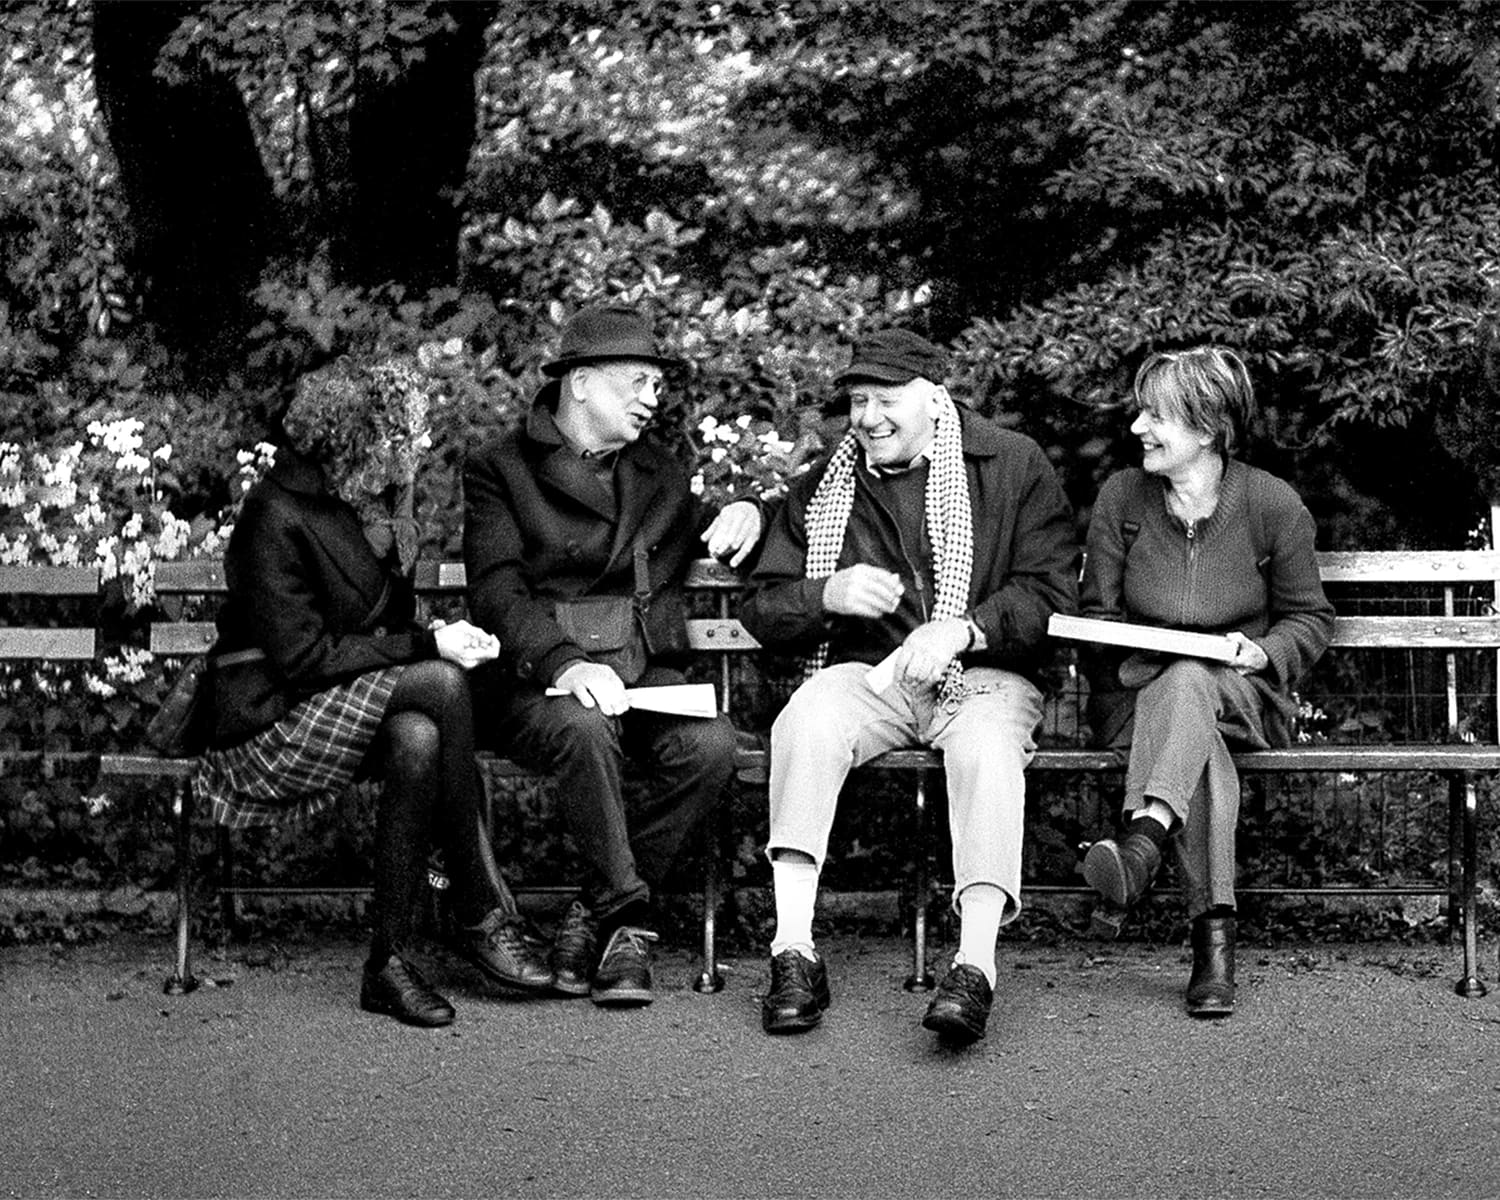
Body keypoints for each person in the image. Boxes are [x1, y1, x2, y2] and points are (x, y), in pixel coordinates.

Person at [739, 327, 1078, 1045]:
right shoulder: (827, 485)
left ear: (934, 397)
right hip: (875, 675)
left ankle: (974, 966)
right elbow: (764, 607)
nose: (868, 418)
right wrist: (825, 594)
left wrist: (964, 630)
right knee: (805, 719)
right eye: (858, 401)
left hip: (984, 673)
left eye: (885, 400)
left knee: (986, 749)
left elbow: (1049, 594)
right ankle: (793, 951)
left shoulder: (1012, 463)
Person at [194, 356, 554, 1029]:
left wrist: (428, 617)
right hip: (271, 724)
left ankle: (386, 964)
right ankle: (479, 907)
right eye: (404, 437)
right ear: (361, 443)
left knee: (418, 738)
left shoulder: (368, 507)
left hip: (343, 704)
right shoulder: (274, 514)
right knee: (441, 682)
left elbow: (380, 628)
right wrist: (428, 647)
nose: (420, 446)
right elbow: (303, 658)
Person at [462, 303, 762, 1007]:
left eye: (657, 385)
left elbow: (713, 534)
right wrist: (567, 663)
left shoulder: (662, 471)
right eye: (638, 383)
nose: (652, 399)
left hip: (641, 672)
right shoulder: (500, 467)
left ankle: (591, 914)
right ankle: (629, 918)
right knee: (585, 725)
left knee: (712, 746)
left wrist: (749, 508)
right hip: (538, 682)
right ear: (582, 382)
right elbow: (497, 591)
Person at [1078, 345, 1334, 1018]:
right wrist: (1131, 653)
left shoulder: (1271, 504)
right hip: (1139, 700)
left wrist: (1263, 651)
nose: (1137, 427)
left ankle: (1144, 839)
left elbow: (1311, 619)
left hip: (1243, 697)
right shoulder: (1121, 499)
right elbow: (1096, 616)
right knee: (1192, 721)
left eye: (1156, 416)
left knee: (1195, 677)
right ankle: (1211, 947)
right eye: (1141, 412)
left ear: (1208, 429)